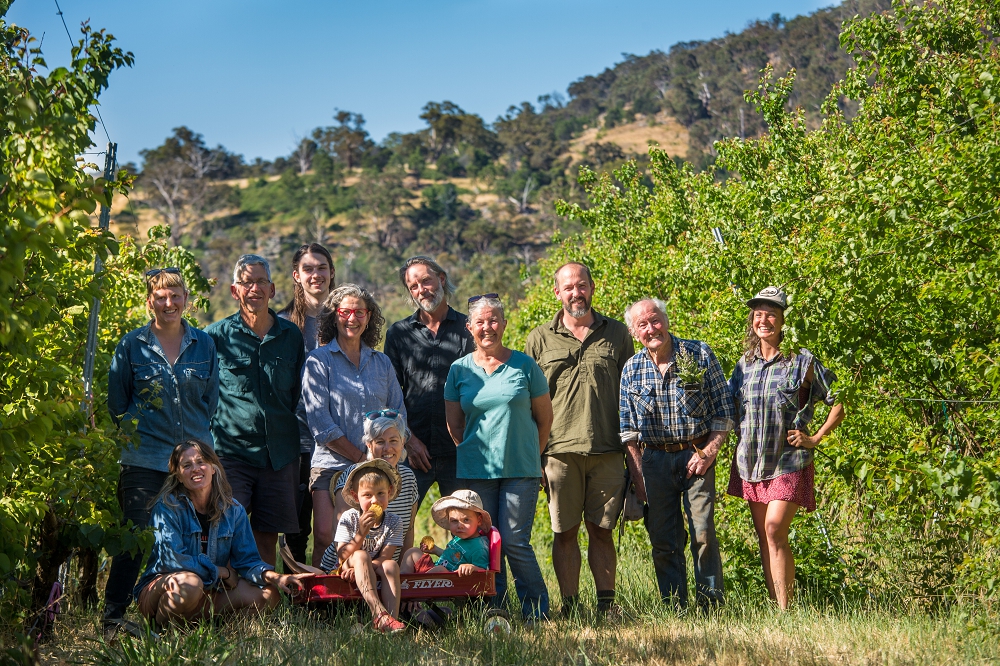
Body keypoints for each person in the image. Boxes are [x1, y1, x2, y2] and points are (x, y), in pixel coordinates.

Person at [104, 267, 219, 639]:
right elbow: (117, 404)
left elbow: (210, 401)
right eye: (160, 296)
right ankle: (114, 617)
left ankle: (188, 612)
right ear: (149, 300)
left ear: (186, 298)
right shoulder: (132, 345)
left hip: (194, 460)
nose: (169, 303)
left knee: (198, 534)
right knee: (137, 535)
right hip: (146, 457)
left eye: (176, 295)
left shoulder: (204, 344)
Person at [524, 262, 633, 618]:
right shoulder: (539, 338)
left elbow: (633, 393)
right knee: (564, 533)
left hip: (607, 449)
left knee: (602, 532)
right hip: (557, 453)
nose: (576, 292)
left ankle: (606, 606)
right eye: (568, 287)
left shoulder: (617, 333)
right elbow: (529, 404)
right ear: (557, 293)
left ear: (592, 287)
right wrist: (535, 457)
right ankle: (569, 607)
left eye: (582, 285)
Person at [727, 286, 845, 609]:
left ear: (783, 320)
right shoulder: (743, 366)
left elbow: (838, 401)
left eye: (772, 315)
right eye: (759, 314)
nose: (764, 320)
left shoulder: (802, 361)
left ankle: (785, 611)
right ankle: (778, 610)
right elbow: (727, 409)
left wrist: (816, 437)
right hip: (751, 462)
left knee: (775, 527)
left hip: (789, 460)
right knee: (767, 539)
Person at [619, 298, 735, 610]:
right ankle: (675, 607)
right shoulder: (631, 369)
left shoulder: (698, 354)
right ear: (634, 332)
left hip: (696, 455)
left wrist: (709, 453)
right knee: (663, 540)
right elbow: (628, 432)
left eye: (655, 320)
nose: (651, 328)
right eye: (642, 325)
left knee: (703, 533)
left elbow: (724, 411)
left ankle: (710, 606)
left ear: (666, 320)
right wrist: (638, 474)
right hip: (654, 461)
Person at [444, 294, 553, 622]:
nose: (487, 327)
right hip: (477, 470)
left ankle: (536, 612)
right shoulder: (458, 370)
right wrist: (477, 450)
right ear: (469, 327)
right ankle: (497, 609)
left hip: (521, 468)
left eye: (493, 320)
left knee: (515, 540)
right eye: (480, 322)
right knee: (489, 543)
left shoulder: (524, 365)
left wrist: (532, 455)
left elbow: (545, 419)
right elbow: (455, 425)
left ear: (504, 324)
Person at [134, 440, 303, 626]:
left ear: (213, 468)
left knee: (269, 594)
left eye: (201, 462)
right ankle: (159, 630)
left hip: (209, 592)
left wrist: (277, 577)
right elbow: (173, 561)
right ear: (178, 476)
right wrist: (220, 571)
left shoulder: (233, 511)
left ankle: (213, 627)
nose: (196, 469)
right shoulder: (167, 507)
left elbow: (248, 561)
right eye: (187, 465)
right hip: (165, 592)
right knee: (190, 584)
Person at [206, 254, 305, 566]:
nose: (255, 288)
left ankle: (264, 607)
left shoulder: (291, 336)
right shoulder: (215, 337)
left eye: (261, 281)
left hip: (280, 454)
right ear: (236, 291)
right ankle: (219, 604)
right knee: (223, 530)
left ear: (273, 289)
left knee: (267, 536)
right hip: (232, 452)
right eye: (247, 282)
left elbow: (296, 393)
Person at [301, 283, 405, 568]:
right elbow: (320, 423)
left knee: (375, 538)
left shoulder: (381, 362)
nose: (352, 318)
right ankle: (320, 604)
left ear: (369, 316)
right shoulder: (318, 361)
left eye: (359, 312)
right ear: (334, 316)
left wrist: (382, 455)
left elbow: (397, 415)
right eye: (345, 311)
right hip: (332, 461)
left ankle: (361, 600)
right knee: (326, 535)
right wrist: (361, 459)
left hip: (377, 466)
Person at [385, 256, 474, 505]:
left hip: (460, 454)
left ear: (441, 279)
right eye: (413, 286)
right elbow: (390, 396)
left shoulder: (469, 329)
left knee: (466, 528)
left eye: (426, 281)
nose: (421, 290)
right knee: (399, 527)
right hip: (413, 453)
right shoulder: (398, 334)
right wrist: (409, 441)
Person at [277, 243, 335, 563]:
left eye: (322, 267)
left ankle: (332, 598)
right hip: (296, 440)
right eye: (309, 269)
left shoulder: (346, 320)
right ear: (296, 276)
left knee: (336, 527)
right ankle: (298, 598)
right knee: (296, 527)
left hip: (338, 439)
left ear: (331, 273)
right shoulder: (283, 324)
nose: (316, 275)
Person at [323, 459, 406, 634]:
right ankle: (378, 612)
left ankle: (390, 621)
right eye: (367, 495)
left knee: (391, 565)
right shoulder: (349, 518)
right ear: (355, 497)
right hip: (340, 567)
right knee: (360, 555)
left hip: (368, 567)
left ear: (389, 493)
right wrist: (361, 532)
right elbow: (342, 556)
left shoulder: (395, 522)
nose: (375, 500)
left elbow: (384, 557)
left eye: (381, 493)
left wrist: (362, 569)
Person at [330, 411, 419, 562]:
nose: (387, 448)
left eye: (393, 441)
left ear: (403, 442)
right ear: (369, 445)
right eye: (379, 442)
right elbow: (339, 532)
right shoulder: (353, 476)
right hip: (351, 566)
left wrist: (403, 572)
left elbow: (408, 530)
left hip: (388, 568)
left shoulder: (408, 477)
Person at [401, 489, 491, 576]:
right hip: (434, 571)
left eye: (466, 520)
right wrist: (435, 550)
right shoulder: (459, 538)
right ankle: (404, 582)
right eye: (454, 521)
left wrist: (472, 567)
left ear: (479, 520)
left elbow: (484, 572)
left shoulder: (479, 547)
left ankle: (418, 583)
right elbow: (451, 557)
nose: (459, 526)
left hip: (449, 581)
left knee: (440, 570)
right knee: (412, 552)